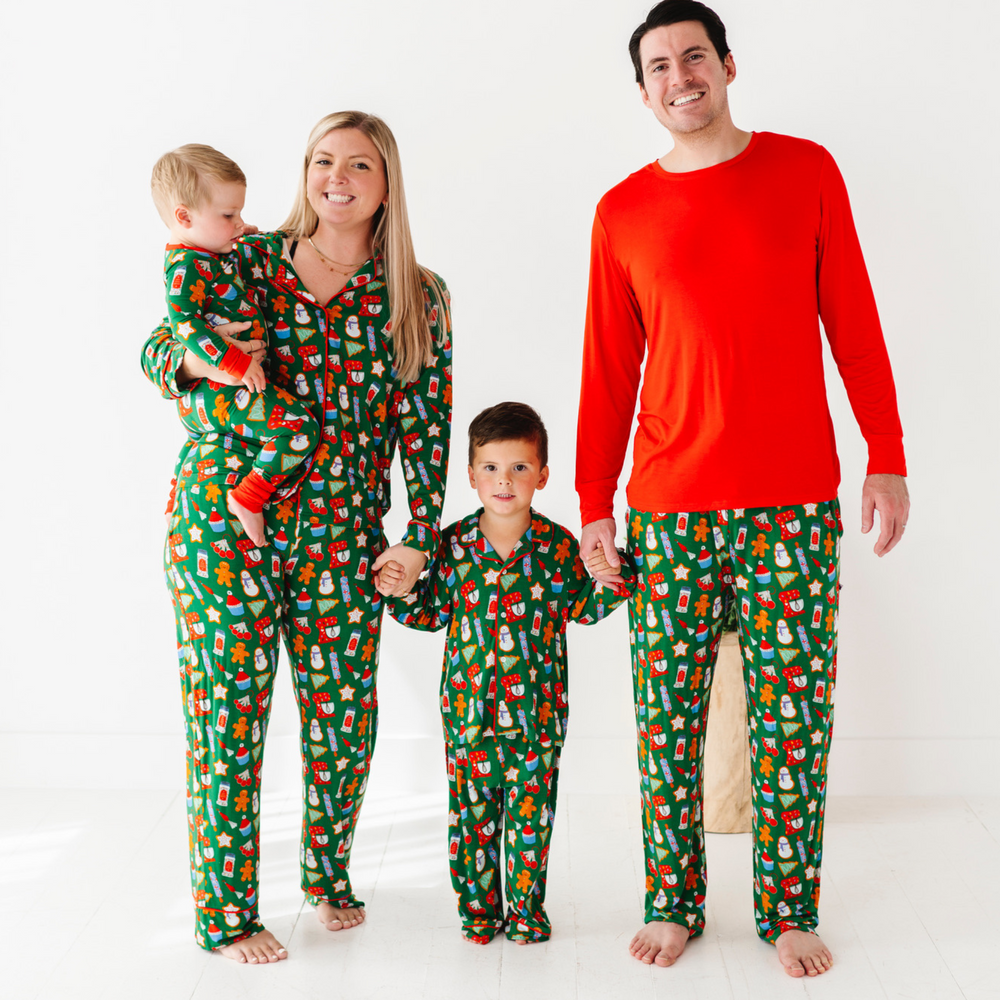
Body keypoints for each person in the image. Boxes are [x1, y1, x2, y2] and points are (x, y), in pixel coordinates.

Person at [575, 0, 909, 979]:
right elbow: (607, 366)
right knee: (665, 716)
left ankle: (787, 907)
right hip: (670, 507)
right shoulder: (621, 211)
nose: (678, 78)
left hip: (793, 503)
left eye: (692, 57)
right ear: (642, 91)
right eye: (657, 67)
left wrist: (884, 450)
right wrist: (594, 499)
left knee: (792, 711)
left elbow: (852, 315)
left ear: (726, 63)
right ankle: (673, 901)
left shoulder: (803, 170)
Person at [140, 111, 453, 964]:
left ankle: (325, 874)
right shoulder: (246, 254)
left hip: (344, 531)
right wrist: (191, 360)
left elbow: (426, 429)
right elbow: (157, 343)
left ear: (387, 180)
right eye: (322, 160)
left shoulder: (417, 294)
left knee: (345, 720)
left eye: (359, 163)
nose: (337, 177)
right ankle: (228, 914)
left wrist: (420, 534)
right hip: (222, 520)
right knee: (228, 722)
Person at [379, 402, 633, 943]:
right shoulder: (450, 548)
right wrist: (397, 590)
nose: (504, 480)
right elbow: (427, 612)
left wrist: (612, 575)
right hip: (468, 717)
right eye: (492, 468)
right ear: (471, 475)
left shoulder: (559, 546)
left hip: (538, 716)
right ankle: (477, 911)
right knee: (471, 820)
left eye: (519, 467)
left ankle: (524, 913)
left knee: (530, 821)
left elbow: (584, 607)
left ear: (542, 475)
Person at [150, 143, 320, 547]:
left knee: (294, 426)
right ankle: (248, 498)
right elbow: (182, 326)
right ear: (184, 217)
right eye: (229, 215)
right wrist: (228, 363)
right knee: (298, 427)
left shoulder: (218, 254)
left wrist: (246, 235)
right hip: (218, 391)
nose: (239, 223)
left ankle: (237, 492)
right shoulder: (186, 265)